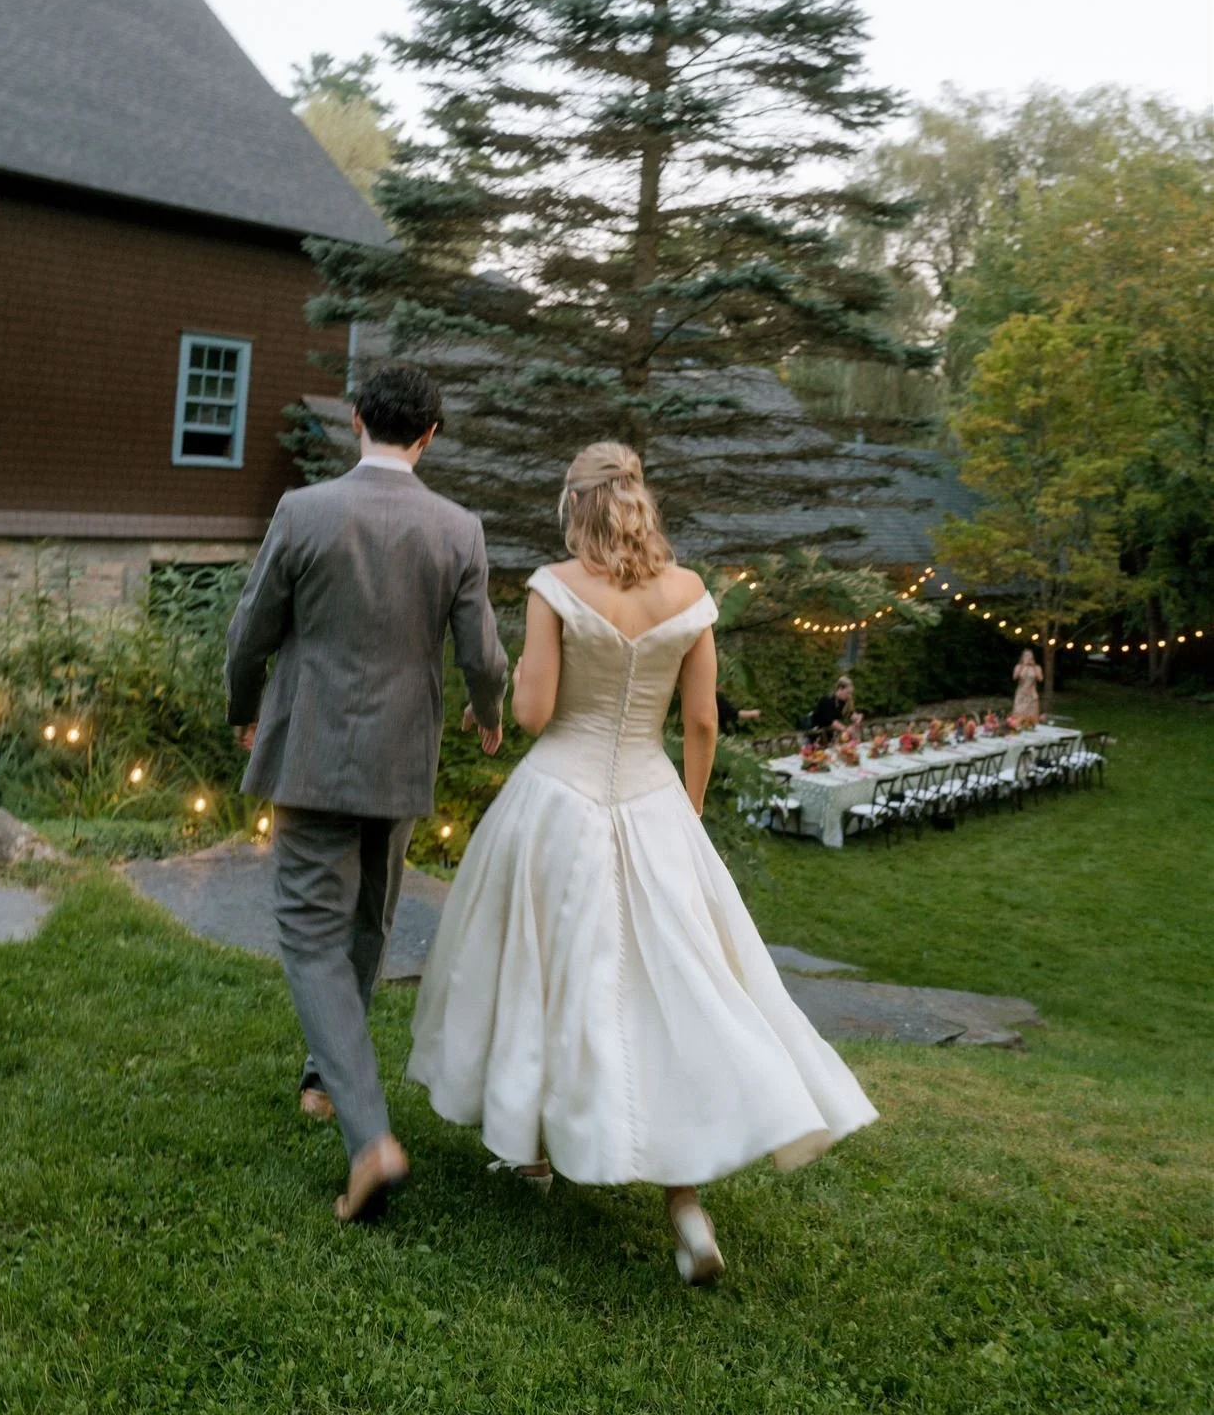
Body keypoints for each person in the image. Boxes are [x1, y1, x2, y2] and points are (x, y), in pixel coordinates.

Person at [409, 443, 877, 1284]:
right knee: (666, 990)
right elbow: (701, 723)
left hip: (560, 798)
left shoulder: (554, 588)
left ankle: (532, 1152)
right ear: (638, 503)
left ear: (573, 506)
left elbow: (533, 712)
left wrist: (519, 671)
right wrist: (685, 811)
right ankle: (684, 1206)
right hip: (654, 798)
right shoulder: (691, 594)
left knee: (544, 975)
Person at [224, 364, 507, 1225]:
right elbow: (484, 657)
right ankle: (323, 1077)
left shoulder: (303, 512)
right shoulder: (458, 529)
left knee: (310, 937)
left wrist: (243, 708)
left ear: (356, 422)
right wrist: (488, 715)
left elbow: (251, 631)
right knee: (368, 922)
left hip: (311, 751)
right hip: (400, 761)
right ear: (428, 435)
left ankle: (369, 1139)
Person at [808, 674, 855, 741]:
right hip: (816, 734)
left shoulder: (843, 701)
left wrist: (856, 717)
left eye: (850, 693)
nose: (849, 695)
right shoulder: (827, 700)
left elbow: (850, 713)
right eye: (848, 693)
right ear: (840, 689)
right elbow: (831, 721)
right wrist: (846, 729)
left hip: (829, 734)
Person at [1011, 648, 1043, 722]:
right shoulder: (1018, 666)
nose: (1028, 657)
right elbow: (1015, 677)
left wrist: (1034, 667)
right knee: (1018, 714)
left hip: (1031, 693)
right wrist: (1023, 666)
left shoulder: (1037, 667)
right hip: (1021, 693)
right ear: (1022, 657)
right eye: (1026, 655)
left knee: (1032, 716)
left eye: (1030, 655)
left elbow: (1040, 679)